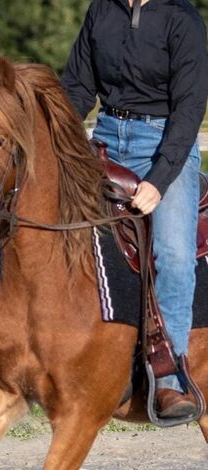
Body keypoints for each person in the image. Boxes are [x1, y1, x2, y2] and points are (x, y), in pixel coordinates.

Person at [60, 0, 208, 419]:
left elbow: (189, 109)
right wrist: (57, 143)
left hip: (164, 145)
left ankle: (169, 378)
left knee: (175, 255)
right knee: (41, 217)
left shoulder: (182, 20)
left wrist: (158, 182)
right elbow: (76, 89)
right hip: (106, 136)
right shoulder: (100, 12)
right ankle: (6, 355)